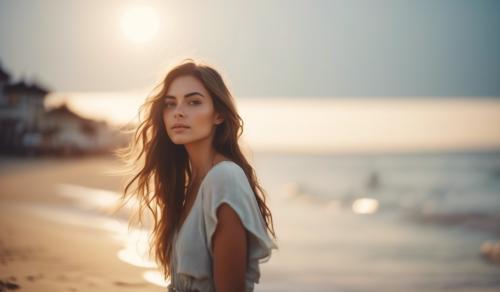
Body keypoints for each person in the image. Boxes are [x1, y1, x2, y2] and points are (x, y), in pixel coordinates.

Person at [116, 59, 278, 292]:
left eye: (193, 102)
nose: (178, 113)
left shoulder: (225, 179)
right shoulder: (192, 183)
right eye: (170, 104)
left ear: (219, 115)